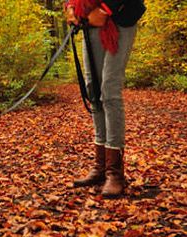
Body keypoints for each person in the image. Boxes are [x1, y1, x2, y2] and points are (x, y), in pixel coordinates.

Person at [64, 0, 145, 197]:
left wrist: (105, 9)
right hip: (89, 22)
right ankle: (100, 167)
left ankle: (115, 172)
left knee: (110, 90)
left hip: (120, 19)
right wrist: (70, 7)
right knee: (94, 90)